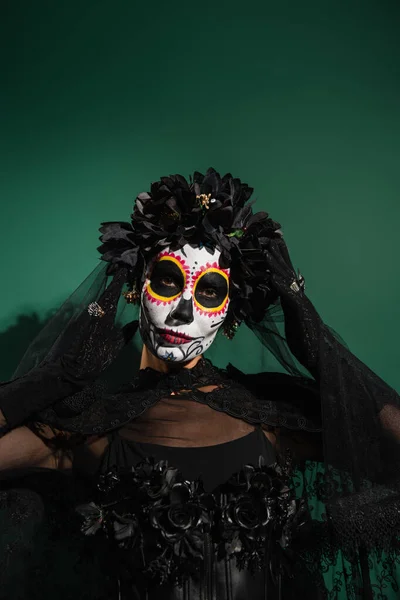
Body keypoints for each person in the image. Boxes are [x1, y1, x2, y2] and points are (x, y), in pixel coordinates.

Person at [0, 168, 399, 599]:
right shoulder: (90, 428)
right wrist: (55, 378)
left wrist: (315, 340)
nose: (183, 312)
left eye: (209, 291)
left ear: (228, 312)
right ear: (137, 287)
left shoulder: (270, 416)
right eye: (168, 281)